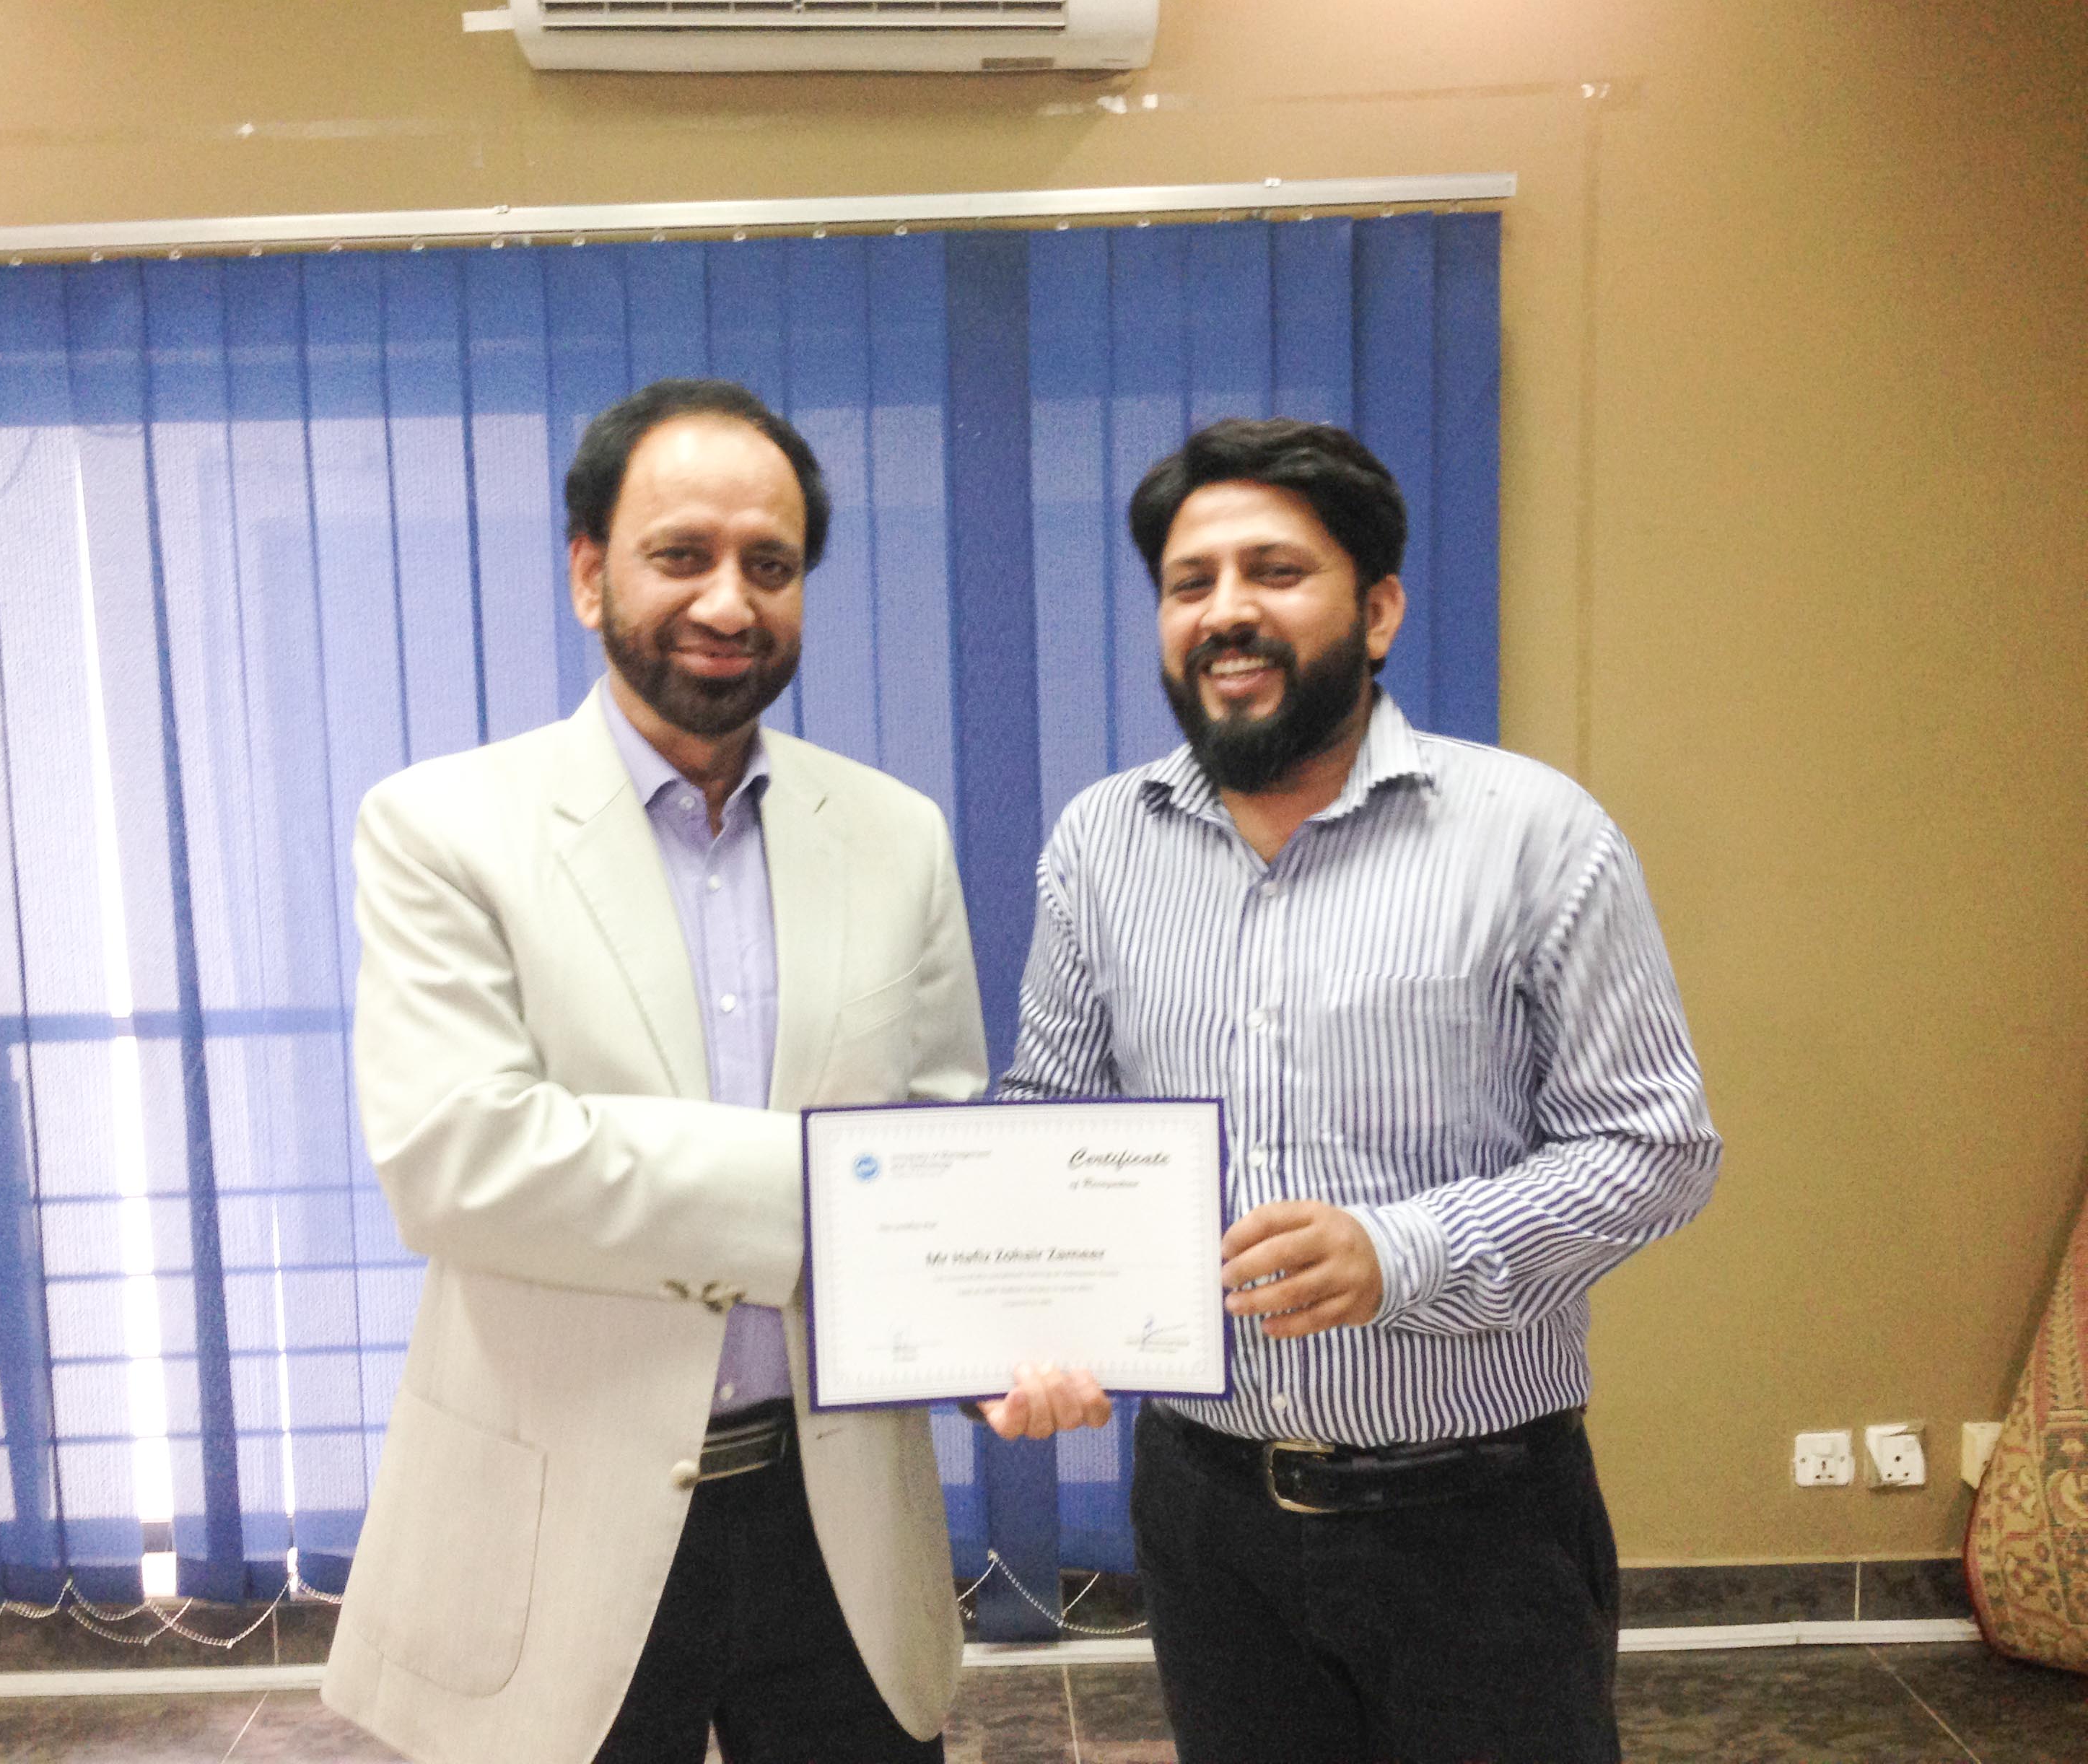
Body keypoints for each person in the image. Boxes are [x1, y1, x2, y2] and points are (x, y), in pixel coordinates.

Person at [993, 418, 1722, 1763]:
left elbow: (1655, 1144)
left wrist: (1404, 1252)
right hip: (1207, 1521)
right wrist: (1027, 1321)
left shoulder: (1533, 832)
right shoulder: (1102, 844)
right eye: (1191, 582)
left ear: (1378, 611)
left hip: (1478, 1526)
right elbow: (1051, 1118)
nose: (1227, 611)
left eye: (1275, 572)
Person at [325, 379, 1031, 1764]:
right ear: (590, 575)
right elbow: (461, 1161)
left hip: (839, 1529)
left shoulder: (895, 835)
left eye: (771, 564)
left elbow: (939, 1142)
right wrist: (848, 1190)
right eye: (682, 554)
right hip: (556, 1528)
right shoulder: (442, 827)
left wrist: (984, 1341)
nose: (729, 600)